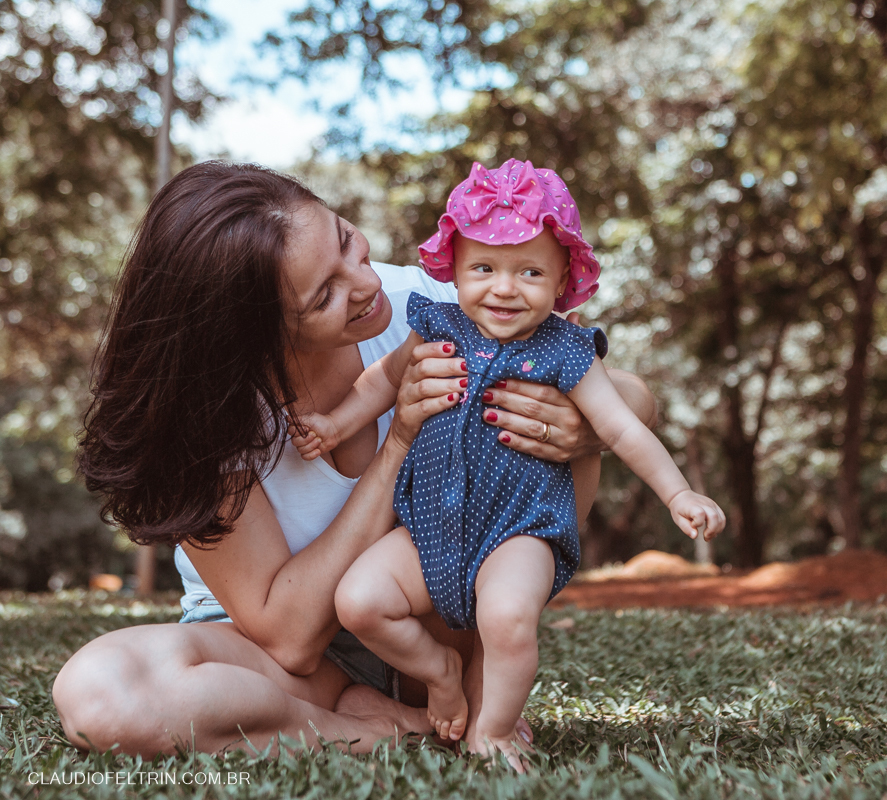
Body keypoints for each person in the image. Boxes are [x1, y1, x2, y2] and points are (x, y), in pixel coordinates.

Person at [51, 161, 657, 757]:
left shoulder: (424, 302)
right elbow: (289, 638)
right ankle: (380, 727)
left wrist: (580, 426)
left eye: (345, 240)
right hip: (288, 663)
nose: (363, 285)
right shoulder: (202, 419)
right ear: (253, 334)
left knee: (563, 422)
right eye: (325, 296)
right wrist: (398, 442)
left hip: (432, 623)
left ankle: (456, 686)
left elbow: (623, 391)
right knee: (101, 695)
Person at [291, 159, 725, 769]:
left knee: (509, 619)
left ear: (561, 279)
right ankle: (440, 671)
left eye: (529, 272)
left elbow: (622, 425)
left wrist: (679, 495)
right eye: (484, 269)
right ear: (456, 270)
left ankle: (491, 728)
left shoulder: (567, 351)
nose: (503, 288)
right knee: (360, 600)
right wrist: (336, 424)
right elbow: (380, 383)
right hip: (428, 530)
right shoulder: (436, 323)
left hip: (517, 530)